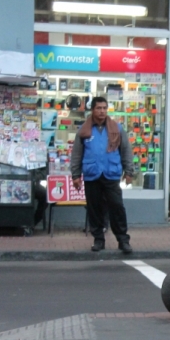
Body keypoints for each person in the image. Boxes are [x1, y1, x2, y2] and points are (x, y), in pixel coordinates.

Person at [70, 97, 134, 254]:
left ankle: (123, 240)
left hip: (111, 174)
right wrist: (75, 175)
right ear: (92, 110)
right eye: (99, 108)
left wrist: (129, 171)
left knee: (117, 207)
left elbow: (126, 150)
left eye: (105, 108)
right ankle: (98, 239)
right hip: (92, 174)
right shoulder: (84, 130)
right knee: (94, 209)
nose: (102, 111)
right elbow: (77, 154)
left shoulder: (116, 128)